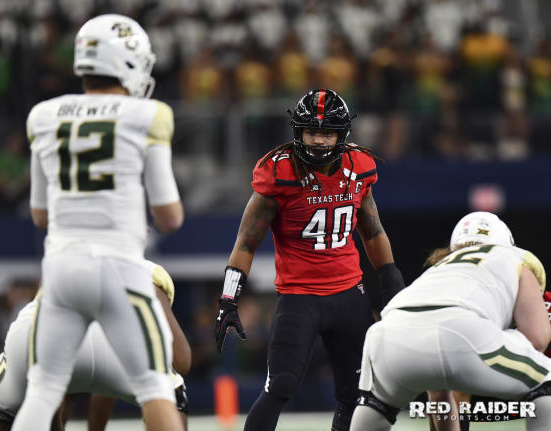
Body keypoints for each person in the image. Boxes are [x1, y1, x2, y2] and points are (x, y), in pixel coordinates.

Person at [11, 14, 184, 431]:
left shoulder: (43, 115)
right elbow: (169, 216)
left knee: (43, 390)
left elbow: (40, 215)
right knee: (155, 386)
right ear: (127, 61)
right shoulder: (148, 115)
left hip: (60, 271)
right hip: (118, 269)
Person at [214, 88, 405, 431]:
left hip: (350, 294)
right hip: (299, 296)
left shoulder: (358, 166)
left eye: (327, 132)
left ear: (342, 134)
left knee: (357, 394)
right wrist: (229, 299)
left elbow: (373, 230)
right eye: (312, 131)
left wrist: (390, 277)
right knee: (280, 387)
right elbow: (246, 242)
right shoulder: (279, 172)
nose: (318, 140)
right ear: (298, 132)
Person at [349, 211, 551, 431]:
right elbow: (536, 340)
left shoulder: (438, 269)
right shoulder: (515, 258)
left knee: (375, 406)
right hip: (461, 330)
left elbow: (438, 389)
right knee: (546, 380)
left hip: (385, 334)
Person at [0, 262, 190, 431]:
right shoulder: (144, 269)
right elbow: (182, 360)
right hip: (115, 348)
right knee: (171, 390)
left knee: (0, 404)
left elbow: (60, 388)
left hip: (37, 341)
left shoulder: (58, 261)